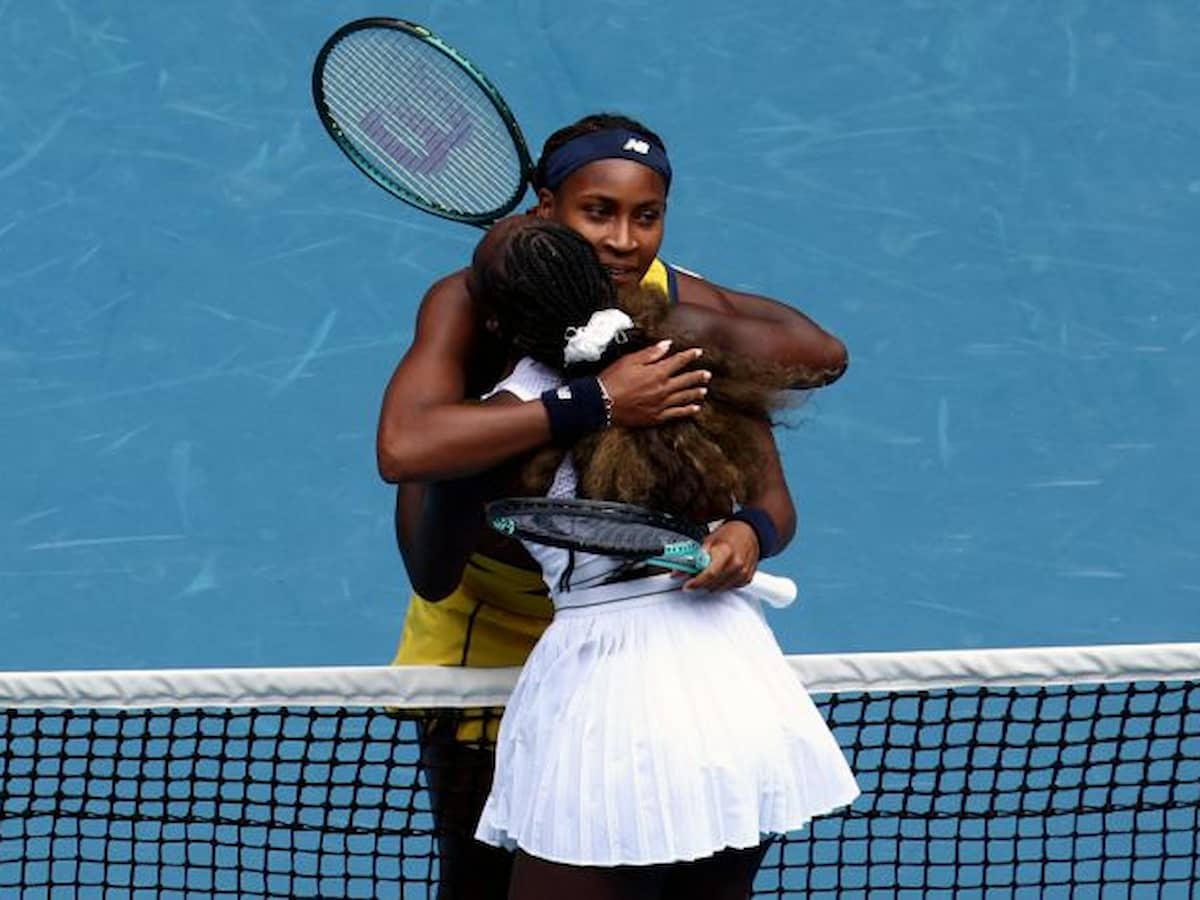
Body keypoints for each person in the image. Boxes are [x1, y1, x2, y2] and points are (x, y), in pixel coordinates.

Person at [377, 113, 850, 898]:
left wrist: (748, 527)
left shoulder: (667, 303)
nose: (625, 240)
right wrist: (595, 400)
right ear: (545, 206)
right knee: (478, 873)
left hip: (653, 648)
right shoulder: (470, 303)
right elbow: (411, 477)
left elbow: (821, 359)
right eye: (598, 212)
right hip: (493, 623)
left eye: (647, 217)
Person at [465, 219, 859, 899]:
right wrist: (751, 532)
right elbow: (777, 497)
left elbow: (407, 459)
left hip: (609, 705)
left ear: (497, 324)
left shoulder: (517, 407)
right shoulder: (691, 358)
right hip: (737, 687)